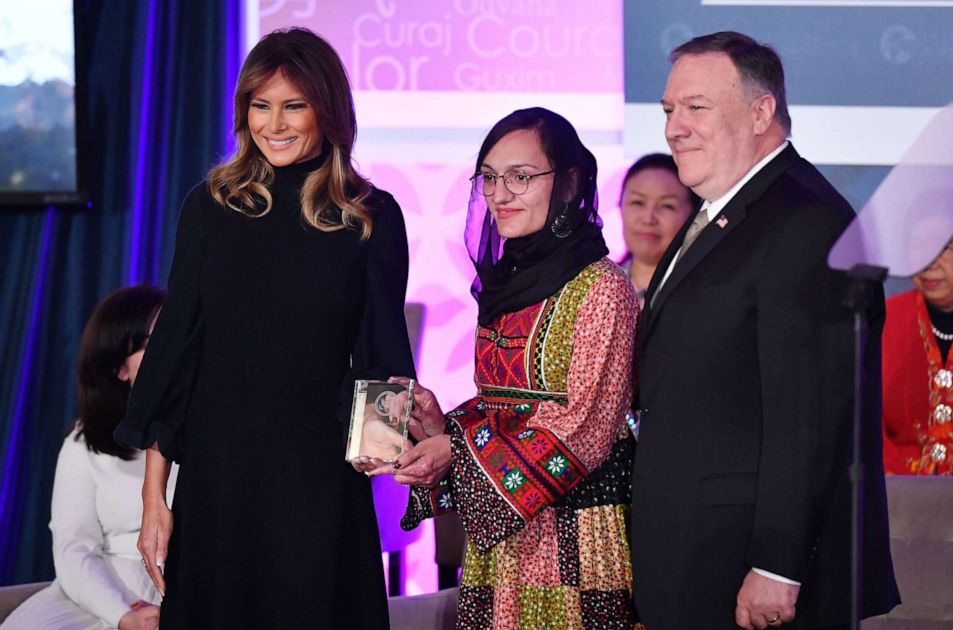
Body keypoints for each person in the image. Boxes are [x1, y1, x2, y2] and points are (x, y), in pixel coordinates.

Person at [113, 28, 414, 629]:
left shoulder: (369, 214)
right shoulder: (211, 207)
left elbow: (384, 354)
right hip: (219, 480)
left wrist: (375, 470)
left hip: (320, 481)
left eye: (294, 105)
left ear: (327, 110)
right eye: (260, 105)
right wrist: (154, 499)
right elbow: (175, 354)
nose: (274, 123)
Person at [633, 31, 900, 629]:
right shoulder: (722, 210)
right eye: (670, 110)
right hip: (697, 557)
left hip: (752, 576)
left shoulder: (807, 220)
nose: (675, 127)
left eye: (696, 108)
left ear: (761, 113)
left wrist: (779, 566)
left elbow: (809, 411)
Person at [355, 107, 641, 628]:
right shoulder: (507, 286)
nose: (500, 194)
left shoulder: (603, 287)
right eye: (489, 177)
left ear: (570, 182)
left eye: (521, 177)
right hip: (503, 537)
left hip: (576, 536)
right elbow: (503, 410)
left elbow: (582, 429)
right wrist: (443, 426)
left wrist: (457, 451)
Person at [2, 286, 175, 630]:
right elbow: (73, 546)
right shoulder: (85, 443)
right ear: (119, 369)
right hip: (96, 596)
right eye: (150, 343)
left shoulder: (206, 435)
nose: (167, 355)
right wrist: (122, 613)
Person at [883, 205, 953, 476]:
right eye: (917, 246)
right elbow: (860, 421)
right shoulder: (882, 320)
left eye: (943, 247)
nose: (928, 261)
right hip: (897, 503)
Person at [617, 153, 699, 305]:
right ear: (620, 206)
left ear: (693, 216)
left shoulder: (704, 292)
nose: (649, 219)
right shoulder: (597, 287)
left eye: (667, 206)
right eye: (638, 202)